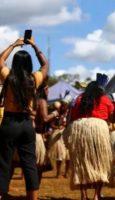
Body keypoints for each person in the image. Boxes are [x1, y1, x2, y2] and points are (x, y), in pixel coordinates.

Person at [0, 38, 48, 200]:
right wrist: (34, 45)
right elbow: (45, 65)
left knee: (4, 162)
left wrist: (13, 45)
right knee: (29, 164)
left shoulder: (8, 77)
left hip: (9, 123)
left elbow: (0, 60)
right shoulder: (34, 79)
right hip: (27, 124)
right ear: (28, 64)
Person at [63, 76, 115, 200]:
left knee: (81, 162)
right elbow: (112, 118)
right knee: (100, 163)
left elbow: (72, 118)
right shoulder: (105, 99)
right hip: (99, 129)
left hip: (80, 128)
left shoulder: (79, 99)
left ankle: (83, 195)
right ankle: (96, 195)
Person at [34, 77, 59, 184]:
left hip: (27, 135)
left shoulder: (31, 100)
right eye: (48, 89)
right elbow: (45, 118)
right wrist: (56, 113)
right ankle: (33, 193)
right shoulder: (42, 101)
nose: (48, 91)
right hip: (37, 137)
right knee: (39, 166)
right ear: (44, 89)